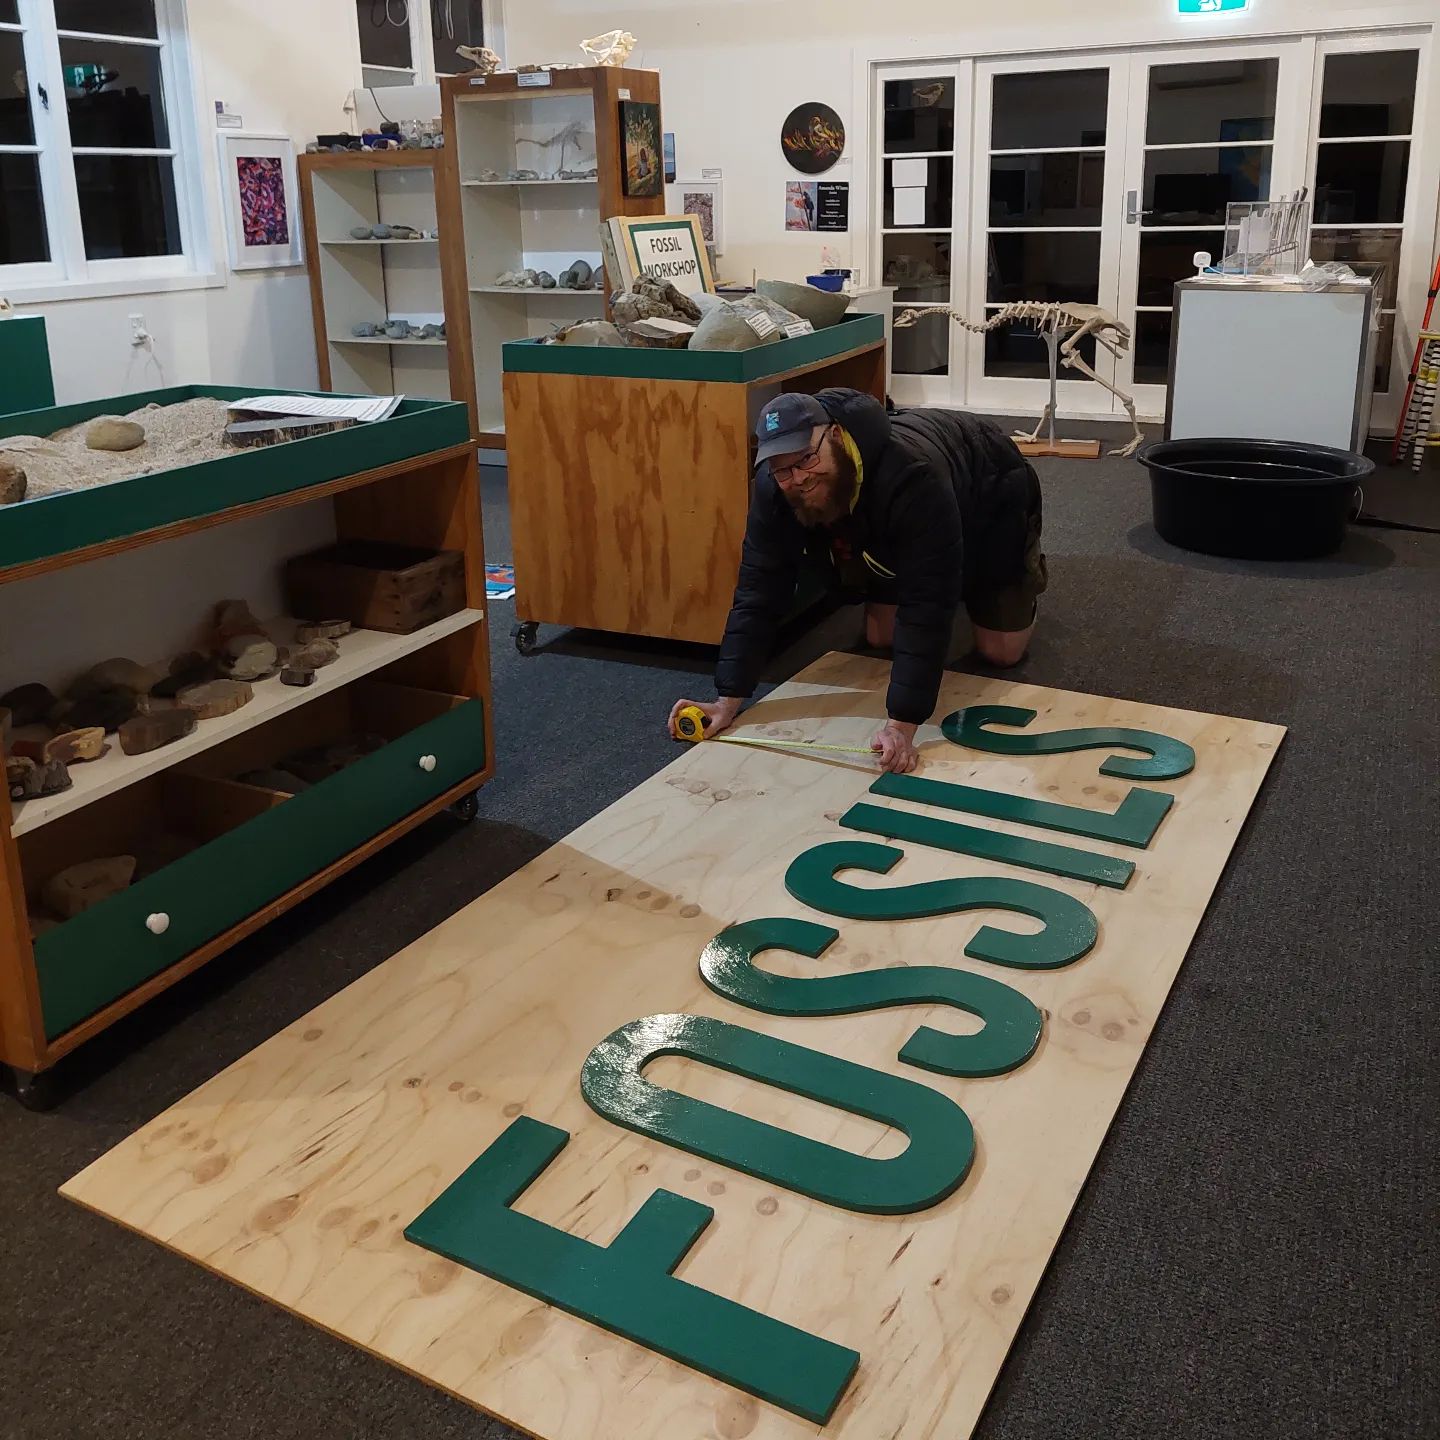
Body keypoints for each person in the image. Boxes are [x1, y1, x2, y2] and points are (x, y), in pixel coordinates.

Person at [667, 388, 1046, 774]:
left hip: (991, 486)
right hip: (894, 522)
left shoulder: (913, 475)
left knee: (1001, 651)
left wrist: (901, 726)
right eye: (782, 469)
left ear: (834, 437)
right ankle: (927, 558)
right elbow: (759, 588)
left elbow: (927, 605)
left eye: (806, 459)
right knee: (884, 638)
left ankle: (1016, 574)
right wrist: (727, 700)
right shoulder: (775, 486)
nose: (798, 478)